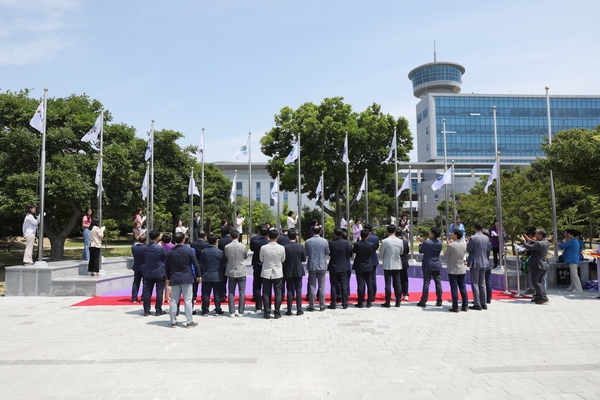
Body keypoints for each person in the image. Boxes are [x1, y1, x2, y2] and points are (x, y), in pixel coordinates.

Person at [165, 232, 200, 328]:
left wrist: (168, 277)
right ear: (183, 240)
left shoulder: (170, 252)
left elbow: (167, 266)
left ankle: (173, 322)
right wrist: (198, 275)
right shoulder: (189, 251)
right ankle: (189, 321)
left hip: (175, 278)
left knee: (174, 300)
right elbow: (196, 264)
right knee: (188, 300)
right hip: (187, 278)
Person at [260, 229, 286, 319]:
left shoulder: (263, 247)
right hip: (277, 272)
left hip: (266, 272)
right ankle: (277, 312)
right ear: (277, 237)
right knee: (278, 293)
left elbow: (261, 259)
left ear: (268, 236)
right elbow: (283, 260)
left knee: (266, 293)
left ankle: (267, 312)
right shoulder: (281, 248)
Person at [520, 229, 550, 304]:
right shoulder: (546, 242)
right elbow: (536, 242)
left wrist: (523, 241)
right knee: (539, 281)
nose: (535, 236)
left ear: (540, 235)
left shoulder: (539, 244)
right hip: (543, 264)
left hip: (537, 264)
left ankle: (543, 297)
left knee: (535, 281)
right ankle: (538, 296)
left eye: (536, 234)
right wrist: (529, 239)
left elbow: (529, 247)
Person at [305, 224, 330, 311]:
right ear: (320, 232)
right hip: (322, 265)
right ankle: (322, 305)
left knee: (312, 286)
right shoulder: (324, 241)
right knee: (322, 286)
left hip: (312, 265)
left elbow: (306, 253)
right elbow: (327, 252)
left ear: (312, 231)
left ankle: (312, 306)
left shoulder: (308, 241)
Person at [416, 227, 443, 308]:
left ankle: (423, 300)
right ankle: (439, 300)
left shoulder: (427, 243)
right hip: (437, 264)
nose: (429, 233)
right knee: (438, 283)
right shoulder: (440, 243)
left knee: (426, 283)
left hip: (428, 264)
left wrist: (421, 243)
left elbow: (421, 251)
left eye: (430, 232)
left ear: (433, 233)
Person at [142, 230, 167, 316]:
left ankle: (146, 310)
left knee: (147, 291)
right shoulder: (160, 248)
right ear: (157, 238)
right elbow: (165, 258)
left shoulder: (145, 248)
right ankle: (158, 310)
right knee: (159, 291)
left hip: (148, 271)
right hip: (159, 271)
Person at [224, 230, 248, 317]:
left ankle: (231, 312)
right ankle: (241, 311)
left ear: (230, 236)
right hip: (241, 270)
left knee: (231, 292)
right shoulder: (242, 246)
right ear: (238, 236)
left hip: (231, 270)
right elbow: (245, 256)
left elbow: (226, 256)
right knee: (242, 292)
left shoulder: (227, 247)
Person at [199, 234, 224, 316]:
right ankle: (217, 309)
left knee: (206, 294)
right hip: (217, 275)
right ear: (216, 242)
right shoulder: (220, 252)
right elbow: (223, 264)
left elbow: (201, 263)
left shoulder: (204, 251)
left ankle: (205, 310)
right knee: (217, 293)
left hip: (206, 275)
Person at [466, 221, 489, 310]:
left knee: (475, 283)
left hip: (475, 262)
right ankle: (483, 302)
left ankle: (477, 303)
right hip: (484, 261)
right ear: (482, 229)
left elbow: (469, 249)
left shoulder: (473, 238)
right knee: (482, 283)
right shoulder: (486, 238)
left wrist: (468, 242)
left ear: (474, 228)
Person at [379, 224, 403, 308]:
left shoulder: (385, 241)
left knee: (388, 283)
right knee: (397, 283)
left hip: (387, 264)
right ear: (395, 231)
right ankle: (398, 302)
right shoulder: (400, 241)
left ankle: (388, 302)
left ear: (387, 231)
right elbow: (401, 252)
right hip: (397, 264)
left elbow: (381, 252)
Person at [283, 229, 306, 316]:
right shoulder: (300, 247)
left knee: (289, 290)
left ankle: (289, 310)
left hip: (288, 270)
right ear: (296, 237)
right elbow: (303, 259)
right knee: (298, 290)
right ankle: (299, 310)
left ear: (288, 237)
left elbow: (283, 260)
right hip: (298, 270)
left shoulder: (285, 247)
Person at [445, 230, 468, 312]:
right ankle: (465, 305)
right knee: (463, 287)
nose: (451, 234)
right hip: (462, 268)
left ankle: (455, 306)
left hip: (453, 269)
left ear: (456, 235)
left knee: (454, 288)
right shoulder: (464, 245)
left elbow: (445, 254)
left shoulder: (451, 245)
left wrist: (447, 245)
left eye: (453, 233)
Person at [327, 227, 349, 310]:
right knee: (344, 285)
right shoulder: (346, 243)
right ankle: (345, 303)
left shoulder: (331, 243)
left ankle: (333, 303)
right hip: (343, 266)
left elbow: (329, 253)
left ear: (334, 234)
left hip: (333, 266)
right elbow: (348, 253)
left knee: (333, 285)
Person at [250, 225, 270, 312]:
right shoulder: (269, 243)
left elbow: (252, 249)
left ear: (259, 232)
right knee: (267, 286)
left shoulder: (255, 242)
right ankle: (267, 304)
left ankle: (258, 305)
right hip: (267, 265)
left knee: (257, 286)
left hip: (257, 265)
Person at [353, 229, 374, 308]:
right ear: (368, 236)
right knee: (369, 283)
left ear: (360, 236)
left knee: (360, 284)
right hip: (368, 265)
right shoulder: (371, 244)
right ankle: (369, 302)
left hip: (359, 266)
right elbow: (372, 252)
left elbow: (354, 251)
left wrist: (358, 241)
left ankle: (360, 302)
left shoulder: (357, 244)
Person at [190, 230, 210, 305]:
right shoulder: (206, 245)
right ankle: (203, 296)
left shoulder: (192, 244)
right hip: (203, 264)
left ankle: (194, 296)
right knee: (204, 282)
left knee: (195, 281)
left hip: (195, 263)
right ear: (204, 236)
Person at [365, 224, 380, 298]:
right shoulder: (376, 238)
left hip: (363, 260)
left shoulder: (362, 237)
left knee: (363, 279)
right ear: (371, 230)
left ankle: (362, 295)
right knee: (373, 277)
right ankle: (372, 294)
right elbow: (376, 247)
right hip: (373, 259)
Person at [218, 226, 232, 303]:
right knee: (232, 280)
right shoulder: (232, 240)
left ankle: (223, 295)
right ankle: (231, 295)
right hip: (231, 261)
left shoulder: (221, 240)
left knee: (223, 280)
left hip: (223, 261)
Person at [131, 233, 146, 303]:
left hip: (136, 266)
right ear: (145, 241)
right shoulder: (146, 248)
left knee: (136, 282)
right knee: (145, 283)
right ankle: (143, 298)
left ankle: (134, 298)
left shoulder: (133, 248)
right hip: (144, 266)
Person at [396, 228, 410, 302]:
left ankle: (398, 294)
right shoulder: (405, 242)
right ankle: (405, 294)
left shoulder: (395, 242)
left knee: (397, 279)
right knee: (404, 279)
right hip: (404, 261)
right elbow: (407, 251)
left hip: (396, 262)